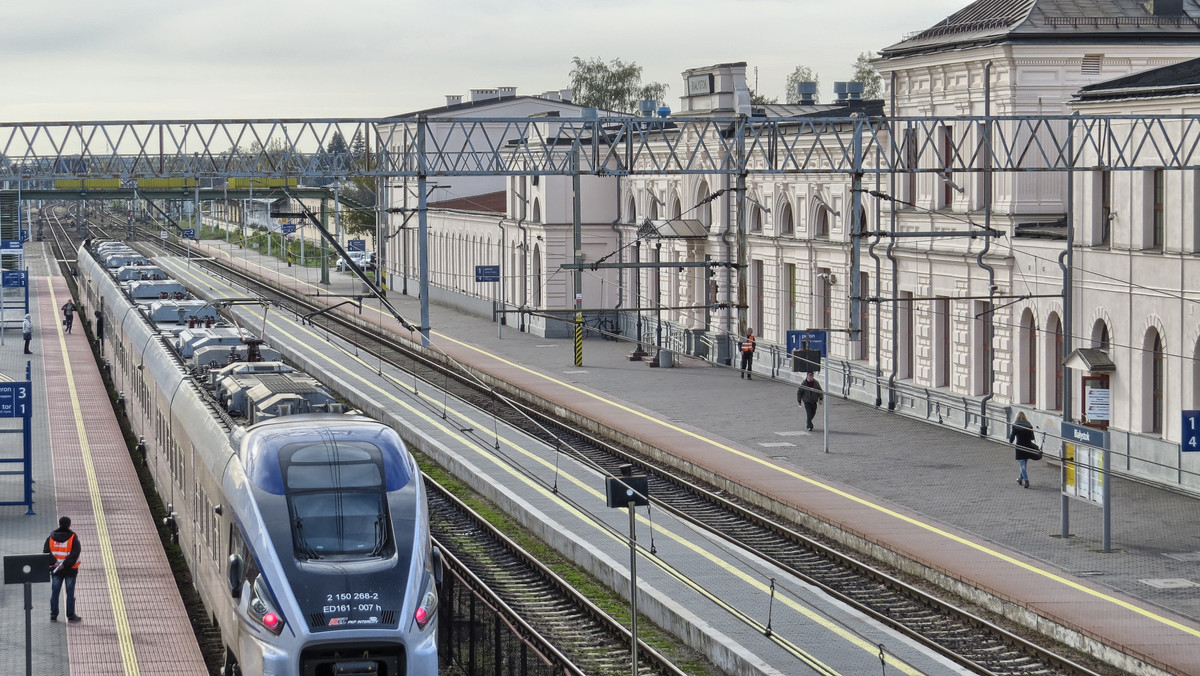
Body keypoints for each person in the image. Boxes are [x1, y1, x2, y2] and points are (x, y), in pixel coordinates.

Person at [44, 516, 81, 622]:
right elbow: (75, 553)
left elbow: (46, 551)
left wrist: (55, 563)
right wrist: (65, 564)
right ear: (69, 524)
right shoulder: (73, 537)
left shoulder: (51, 537)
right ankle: (70, 615)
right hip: (70, 570)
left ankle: (53, 614)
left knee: (55, 592)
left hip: (56, 570)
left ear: (59, 524)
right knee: (70, 593)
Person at [1009, 412, 1039, 488]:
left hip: (1020, 446)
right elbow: (1032, 437)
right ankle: (1020, 479)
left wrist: (1010, 442)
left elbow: (1012, 436)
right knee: (1024, 464)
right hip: (1028, 446)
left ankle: (1026, 481)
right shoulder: (1029, 425)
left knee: (1022, 465)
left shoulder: (1015, 425)